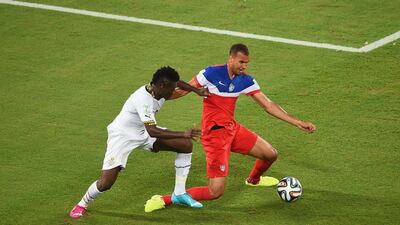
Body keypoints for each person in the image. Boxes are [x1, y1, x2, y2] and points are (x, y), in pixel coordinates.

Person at [144, 43, 316, 212]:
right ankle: (164, 199)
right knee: (215, 192)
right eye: (241, 62)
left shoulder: (246, 80)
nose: (244, 66)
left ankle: (254, 180)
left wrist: (298, 122)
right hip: (214, 137)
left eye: (246, 63)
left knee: (270, 154)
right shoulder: (211, 73)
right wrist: (155, 95)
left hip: (232, 130)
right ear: (231, 58)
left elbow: (269, 105)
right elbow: (181, 91)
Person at [69, 66, 210, 218]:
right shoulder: (143, 100)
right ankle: (82, 203)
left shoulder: (160, 89)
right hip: (123, 136)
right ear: (162, 85)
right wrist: (183, 133)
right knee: (106, 183)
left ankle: (179, 193)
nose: (173, 92)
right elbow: (153, 131)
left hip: (142, 131)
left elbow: (178, 83)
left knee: (185, 145)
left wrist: (196, 90)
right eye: (171, 89)